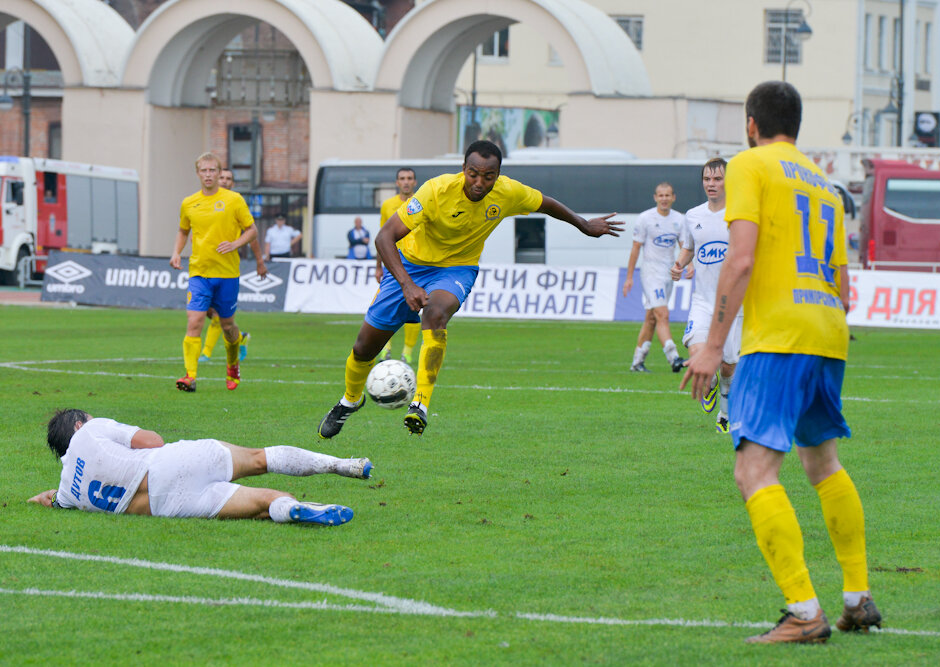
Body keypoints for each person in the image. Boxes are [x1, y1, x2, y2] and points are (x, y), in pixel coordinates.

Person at [682, 81, 879, 644]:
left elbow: (739, 260)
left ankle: (803, 612)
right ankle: (857, 597)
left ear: (751, 123)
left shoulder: (750, 165)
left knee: (754, 471)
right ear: (797, 123)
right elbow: (843, 283)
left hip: (780, 336)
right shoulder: (822, 182)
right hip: (828, 331)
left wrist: (714, 344)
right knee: (823, 463)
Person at [317, 140, 624, 437]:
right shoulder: (436, 191)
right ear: (463, 168)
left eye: (489, 177)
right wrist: (406, 284)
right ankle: (350, 401)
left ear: (498, 175)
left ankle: (420, 404)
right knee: (364, 348)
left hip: (457, 268)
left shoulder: (508, 192)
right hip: (411, 266)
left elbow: (546, 204)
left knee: (435, 314)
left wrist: (583, 224)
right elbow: (385, 237)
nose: (480, 182)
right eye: (474, 174)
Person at [28, 409, 371, 526]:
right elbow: (153, 441)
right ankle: (342, 465)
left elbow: (49, 501)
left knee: (264, 503)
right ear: (77, 426)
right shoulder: (89, 429)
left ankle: (293, 508)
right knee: (258, 459)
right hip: (170, 463)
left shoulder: (67, 493)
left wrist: (32, 501)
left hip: (169, 507)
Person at [170, 153, 259, 392]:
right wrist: (176, 252)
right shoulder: (189, 203)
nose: (208, 175)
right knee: (195, 320)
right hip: (199, 272)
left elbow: (252, 231)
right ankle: (189, 376)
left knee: (228, 326)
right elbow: (183, 231)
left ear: (219, 174)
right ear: (198, 173)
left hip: (228, 274)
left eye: (212, 171)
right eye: (204, 171)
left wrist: (235, 244)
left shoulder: (233, 200)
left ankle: (233, 365)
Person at [670, 158, 741, 433]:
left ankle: (724, 413)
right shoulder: (693, 215)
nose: (711, 184)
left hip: (735, 304)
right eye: (707, 179)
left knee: (728, 365)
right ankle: (708, 383)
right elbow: (689, 247)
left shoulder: (739, 215)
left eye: (717, 179)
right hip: (703, 300)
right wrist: (679, 265)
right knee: (698, 353)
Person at [622, 182, 687, 373]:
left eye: (668, 195)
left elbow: (685, 245)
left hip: (669, 274)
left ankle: (637, 362)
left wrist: (688, 264)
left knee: (651, 318)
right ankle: (673, 356)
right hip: (651, 273)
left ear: (673, 197)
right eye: (661, 195)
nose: (664, 199)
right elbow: (636, 248)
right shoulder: (646, 218)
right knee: (662, 314)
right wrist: (629, 277)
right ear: (655, 197)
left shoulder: (680, 220)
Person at [199, 167, 257, 364]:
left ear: (232, 183)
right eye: (221, 177)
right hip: (204, 265)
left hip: (226, 268)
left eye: (228, 178)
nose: (223, 181)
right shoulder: (205, 200)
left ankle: (206, 353)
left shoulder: (235, 203)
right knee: (207, 311)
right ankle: (240, 338)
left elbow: (252, 233)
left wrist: (259, 261)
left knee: (217, 314)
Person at [377, 167, 421, 365]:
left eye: (409, 178)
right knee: (384, 305)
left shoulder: (420, 203)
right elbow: (382, 235)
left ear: (415, 182)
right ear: (397, 183)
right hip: (393, 263)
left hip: (416, 263)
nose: (405, 182)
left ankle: (407, 352)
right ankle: (385, 347)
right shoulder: (388, 205)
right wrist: (378, 266)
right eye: (402, 178)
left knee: (413, 308)